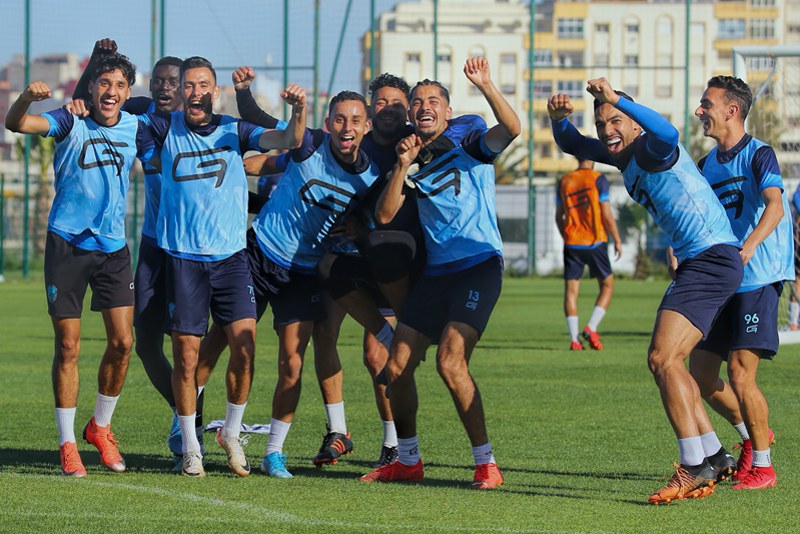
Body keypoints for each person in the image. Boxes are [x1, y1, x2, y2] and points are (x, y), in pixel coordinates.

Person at [549, 78, 743, 504]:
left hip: (711, 258)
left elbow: (669, 134)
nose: (606, 131)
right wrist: (558, 120)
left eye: (615, 121)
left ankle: (693, 465)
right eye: (601, 124)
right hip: (704, 262)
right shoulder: (620, 156)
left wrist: (617, 99)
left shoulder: (651, 147)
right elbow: (571, 143)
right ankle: (715, 455)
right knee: (674, 365)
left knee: (662, 358)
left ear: (634, 123)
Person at [197, 89, 382, 479]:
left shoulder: (371, 177)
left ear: (366, 127)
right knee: (224, 338)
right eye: (339, 119)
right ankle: (185, 426)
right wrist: (295, 112)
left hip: (304, 274)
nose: (346, 127)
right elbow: (285, 144)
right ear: (328, 123)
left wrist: (362, 229)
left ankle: (273, 452)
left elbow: (377, 217)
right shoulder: (311, 144)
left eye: (354, 120)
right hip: (259, 255)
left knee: (292, 364)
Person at [140, 57, 306, 477]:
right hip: (183, 259)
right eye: (188, 85)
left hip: (232, 260)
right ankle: (191, 446)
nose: (195, 92)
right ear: (180, 92)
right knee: (186, 355)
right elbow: (148, 158)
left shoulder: (236, 130)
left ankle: (230, 433)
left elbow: (288, 137)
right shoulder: (159, 128)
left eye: (203, 85)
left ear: (215, 91)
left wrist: (299, 111)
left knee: (245, 349)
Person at [360, 57, 520, 490]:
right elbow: (387, 214)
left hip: (478, 267)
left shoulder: (468, 144)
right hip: (437, 273)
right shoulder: (412, 155)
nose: (424, 105)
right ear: (411, 114)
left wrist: (486, 84)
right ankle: (408, 459)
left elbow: (512, 128)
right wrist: (403, 165)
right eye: (418, 102)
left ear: (448, 112)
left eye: (434, 100)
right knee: (396, 368)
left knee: (451, 362)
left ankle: (486, 463)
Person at [5, 52, 152, 477]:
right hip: (66, 244)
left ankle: (99, 427)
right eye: (104, 83)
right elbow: (17, 124)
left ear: (128, 92)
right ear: (90, 87)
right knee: (68, 346)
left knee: (124, 343)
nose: (111, 92)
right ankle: (68, 443)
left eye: (120, 86)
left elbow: (165, 116)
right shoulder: (71, 120)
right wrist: (26, 97)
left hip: (112, 249)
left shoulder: (135, 125)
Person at [72, 38, 196, 467]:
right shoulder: (137, 113)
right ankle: (185, 417)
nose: (165, 88)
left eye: (174, 81)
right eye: (159, 80)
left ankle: (193, 423)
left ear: (189, 88)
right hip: (151, 246)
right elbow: (86, 106)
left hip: (194, 250)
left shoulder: (203, 123)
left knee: (190, 342)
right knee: (143, 343)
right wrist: (95, 62)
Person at [688, 75, 792, 490]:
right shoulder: (704, 165)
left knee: (741, 373)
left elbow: (776, 205)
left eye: (706, 104)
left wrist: (747, 246)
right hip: (720, 280)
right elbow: (696, 215)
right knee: (699, 373)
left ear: (731, 110)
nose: (700, 111)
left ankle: (764, 467)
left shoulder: (759, 154)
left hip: (758, 277)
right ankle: (752, 438)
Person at [555, 156, 622, 350]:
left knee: (571, 292)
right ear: (593, 158)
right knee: (607, 286)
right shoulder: (598, 179)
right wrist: (616, 238)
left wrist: (566, 236)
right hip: (595, 242)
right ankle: (591, 327)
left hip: (572, 243)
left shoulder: (565, 180)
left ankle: (574, 340)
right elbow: (606, 214)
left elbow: (558, 216)